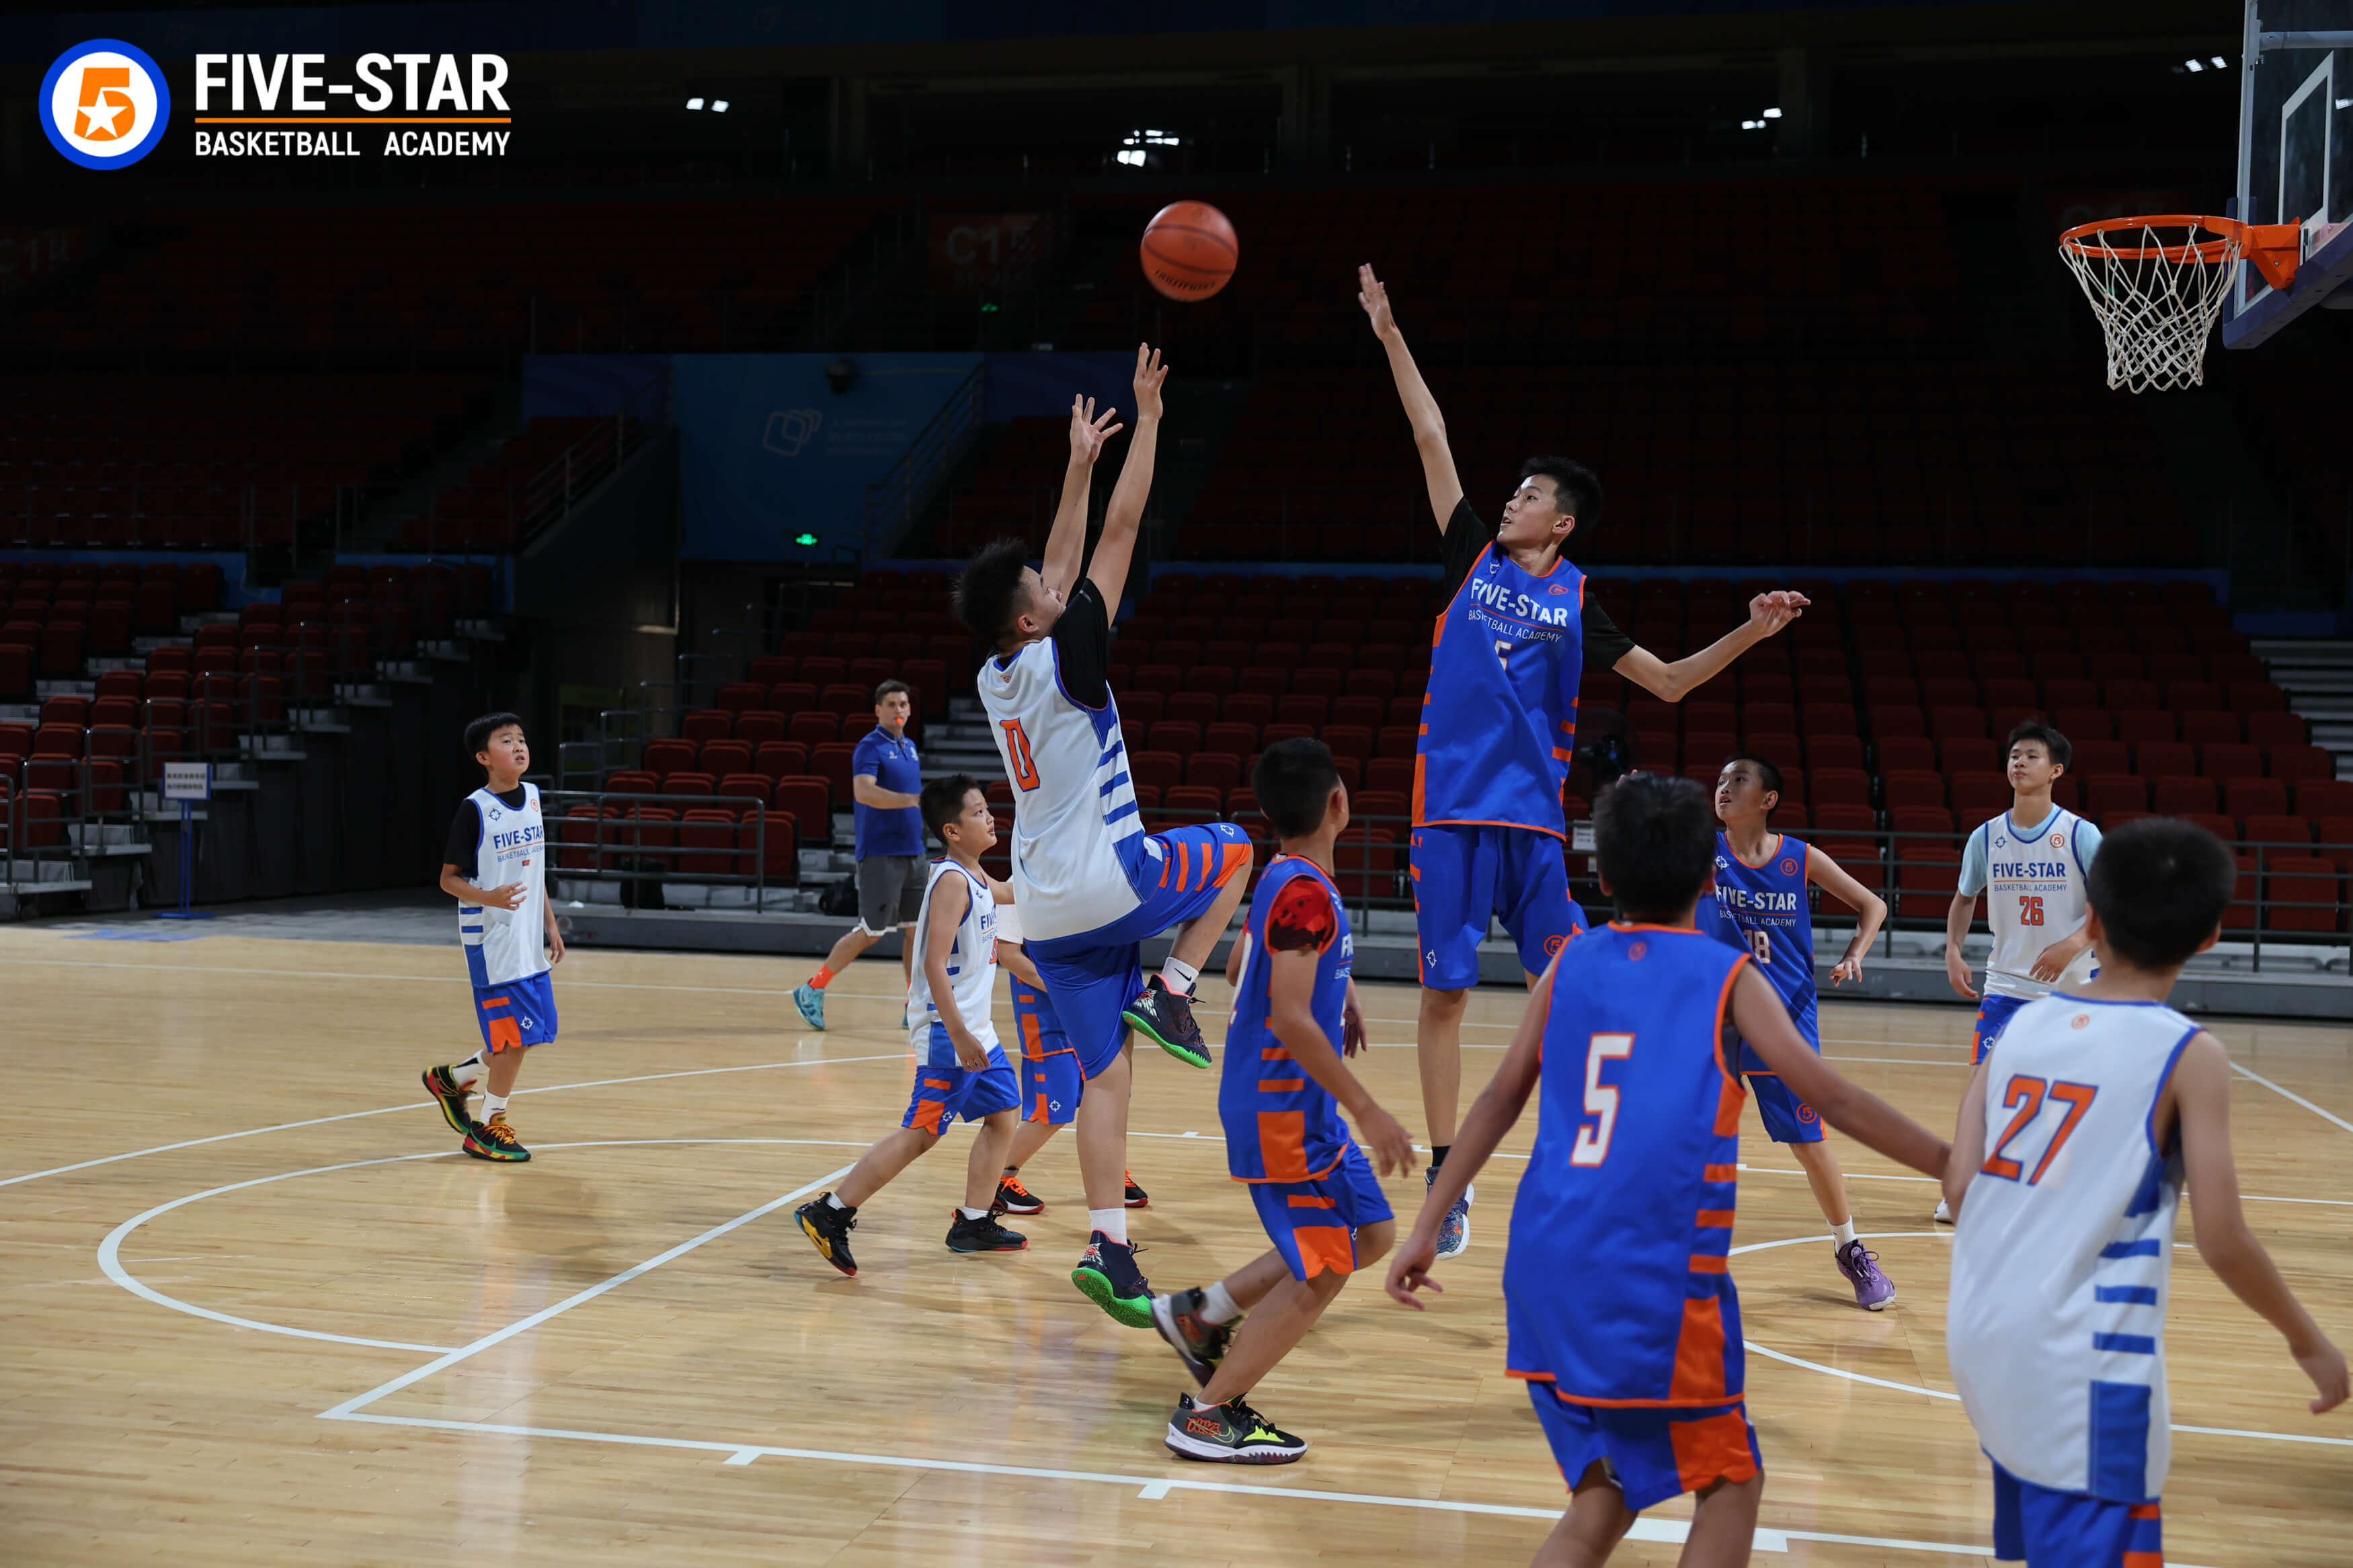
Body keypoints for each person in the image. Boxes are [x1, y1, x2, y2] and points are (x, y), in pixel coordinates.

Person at [1356, 263, 1810, 1260]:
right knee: (1443, 994)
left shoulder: (1579, 602)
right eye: (1512, 488)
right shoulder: (1469, 553)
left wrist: (1748, 632)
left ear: (1560, 522)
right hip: (1450, 811)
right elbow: (1430, 435)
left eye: (1530, 494)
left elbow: (1673, 685)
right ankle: (1448, 1165)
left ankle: (1594, 1148)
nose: (1511, 497)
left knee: (1576, 984)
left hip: (1532, 822)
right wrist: (1391, 333)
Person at [1387, 773, 1950, 1568]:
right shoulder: (1725, 977)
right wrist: (1950, 1162)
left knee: (1609, 1488)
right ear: (1706, 875)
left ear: (1603, 877)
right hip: (1648, 1276)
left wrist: (1424, 1223)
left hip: (1542, 1268)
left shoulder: (1569, 962)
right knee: (1729, 1480)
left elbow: (1492, 1104)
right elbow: (1828, 1093)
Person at [1943, 817, 2346, 1568]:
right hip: (2084, 1368)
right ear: (2208, 937)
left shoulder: (2020, 1025)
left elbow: (1960, 1186)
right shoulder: (2189, 1053)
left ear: (2088, 918)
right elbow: (2221, 1238)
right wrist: (2308, 1339)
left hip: (1981, 1339)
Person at [959, 346, 1253, 1327]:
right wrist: (1150, 418)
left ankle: (1109, 1249)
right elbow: (1120, 535)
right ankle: (1175, 992)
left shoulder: (998, 675)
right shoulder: (1071, 659)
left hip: (1046, 914)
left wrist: (1078, 464)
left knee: (1104, 1075)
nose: (1058, 583)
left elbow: (1063, 562)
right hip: (1111, 881)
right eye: (1046, 587)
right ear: (1033, 616)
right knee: (1239, 849)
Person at [1150, 738, 1416, 1463]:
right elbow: (1290, 1017)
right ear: (1339, 803)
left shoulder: (1289, 878)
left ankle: (1199, 1315)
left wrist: (1344, 991)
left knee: (1370, 1233)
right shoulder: (1304, 890)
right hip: (1280, 1111)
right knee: (1326, 1264)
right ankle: (1206, 1414)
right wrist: (1370, 1108)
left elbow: (1248, 959)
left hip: (1300, 1109)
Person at [794, 775, 1029, 1274]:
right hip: (951, 1030)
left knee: (1005, 1111)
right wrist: (961, 1033)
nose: (990, 818)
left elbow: (1013, 891)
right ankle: (830, 1212)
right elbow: (932, 964)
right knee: (923, 1131)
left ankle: (972, 1221)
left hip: (976, 1026)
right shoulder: (950, 882)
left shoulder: (979, 876)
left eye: (989, 810)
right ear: (952, 830)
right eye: (979, 812)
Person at [1699, 753, 1897, 1311]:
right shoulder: (1704, 851)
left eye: (1738, 780)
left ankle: (1850, 1247)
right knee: (1685, 1134)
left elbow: (1873, 904)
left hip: (1784, 1021)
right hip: (1714, 1017)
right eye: (1719, 778)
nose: (1724, 787)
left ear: (1767, 799)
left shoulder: (1798, 858)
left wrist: (1856, 951)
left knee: (1810, 1145)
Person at [1938, 718, 2102, 1222]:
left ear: (2056, 769)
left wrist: (2072, 942)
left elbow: (2113, 904)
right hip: (2006, 986)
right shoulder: (1987, 836)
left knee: (2069, 1098)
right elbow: (1965, 898)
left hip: (2072, 991)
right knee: (1983, 1091)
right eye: (2013, 755)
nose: (2019, 762)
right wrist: (1953, 948)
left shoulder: (2080, 833)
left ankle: (2073, 1189)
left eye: (2031, 755)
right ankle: (1965, 1186)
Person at [422, 712, 565, 1164]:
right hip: (493, 942)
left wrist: (551, 924)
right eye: (507, 741)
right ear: (485, 757)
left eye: (522, 739)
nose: (519, 746)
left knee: (532, 1032)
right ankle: (486, 1128)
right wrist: (489, 896)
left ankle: (454, 1078)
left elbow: (533, 868)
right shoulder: (475, 809)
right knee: (513, 1041)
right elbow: (447, 879)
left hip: (527, 942)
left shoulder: (536, 798)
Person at [990, 905, 1150, 1216]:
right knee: (1054, 1109)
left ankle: (1111, 1173)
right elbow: (1008, 955)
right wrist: (1063, 988)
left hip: (1092, 1005)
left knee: (1111, 1097)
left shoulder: (1085, 878)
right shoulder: (1018, 886)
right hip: (1045, 1012)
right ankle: (998, 1178)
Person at [793, 680, 925, 1030]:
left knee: (915, 931)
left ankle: (913, 1003)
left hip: (914, 852)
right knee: (871, 932)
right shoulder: (870, 747)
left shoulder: (910, 747)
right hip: (881, 854)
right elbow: (864, 792)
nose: (899, 710)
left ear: (910, 710)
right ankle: (812, 988)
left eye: (903, 704)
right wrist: (913, 801)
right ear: (878, 711)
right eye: (892, 704)